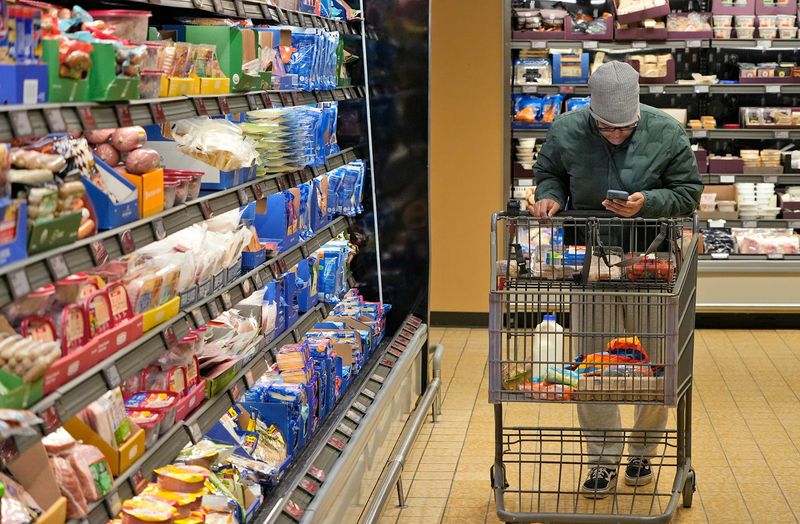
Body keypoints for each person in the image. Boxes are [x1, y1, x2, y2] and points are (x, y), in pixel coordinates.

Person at [531, 61, 703, 499]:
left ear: (638, 113)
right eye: (606, 128)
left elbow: (688, 192)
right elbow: (548, 173)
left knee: (659, 364)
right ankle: (602, 460)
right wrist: (549, 198)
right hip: (592, 261)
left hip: (652, 261)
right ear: (591, 112)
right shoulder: (566, 129)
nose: (615, 135)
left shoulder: (667, 131)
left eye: (624, 129)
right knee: (592, 365)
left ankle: (644, 451)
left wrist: (648, 203)